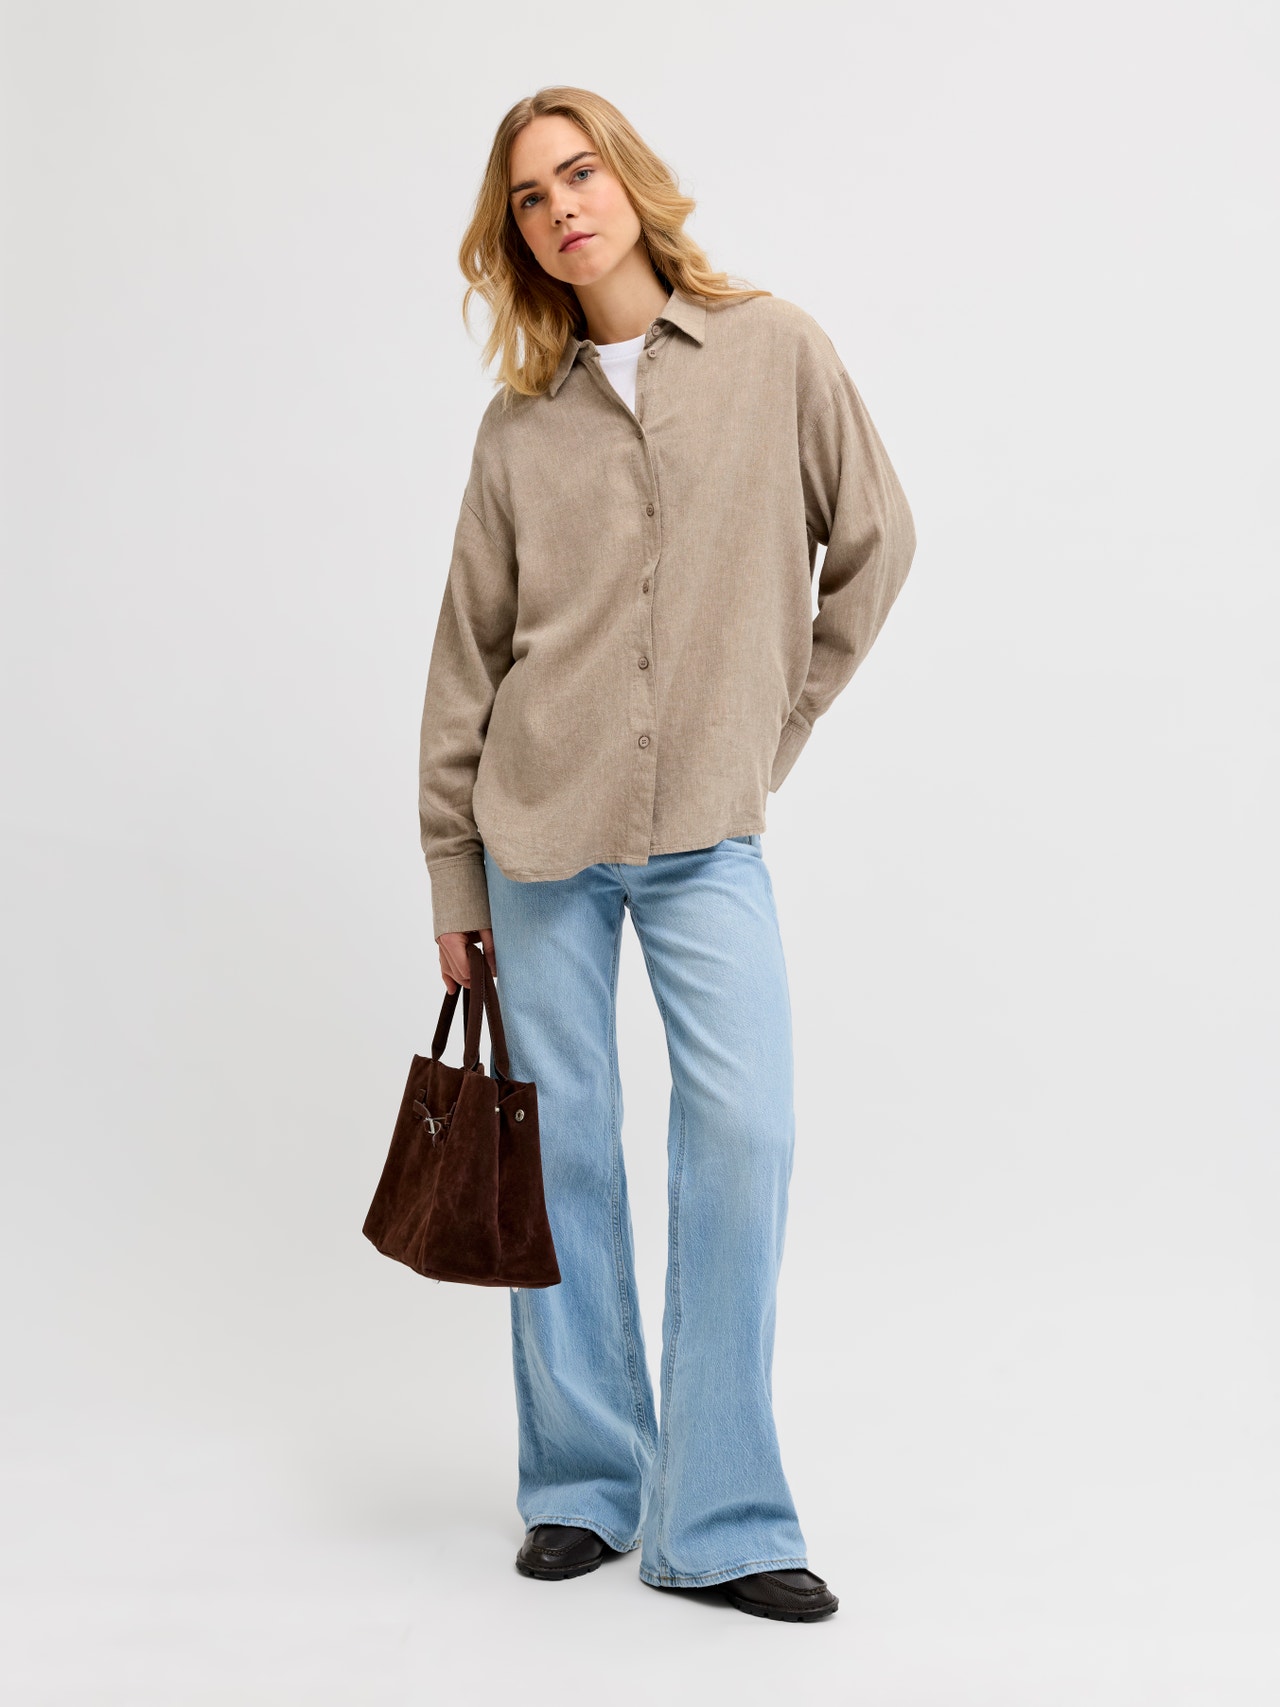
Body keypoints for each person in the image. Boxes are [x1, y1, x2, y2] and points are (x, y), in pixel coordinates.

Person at [418, 85, 916, 1623]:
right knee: (562, 1152)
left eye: (579, 173)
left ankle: (723, 1516)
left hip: (708, 833)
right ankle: (584, 1483)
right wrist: (451, 874)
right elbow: (468, 658)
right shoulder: (521, 430)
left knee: (744, 1134)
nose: (562, 207)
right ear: (517, 236)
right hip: (538, 832)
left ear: (630, 182)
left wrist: (772, 728)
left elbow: (877, 542)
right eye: (529, 197)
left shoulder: (775, 351)